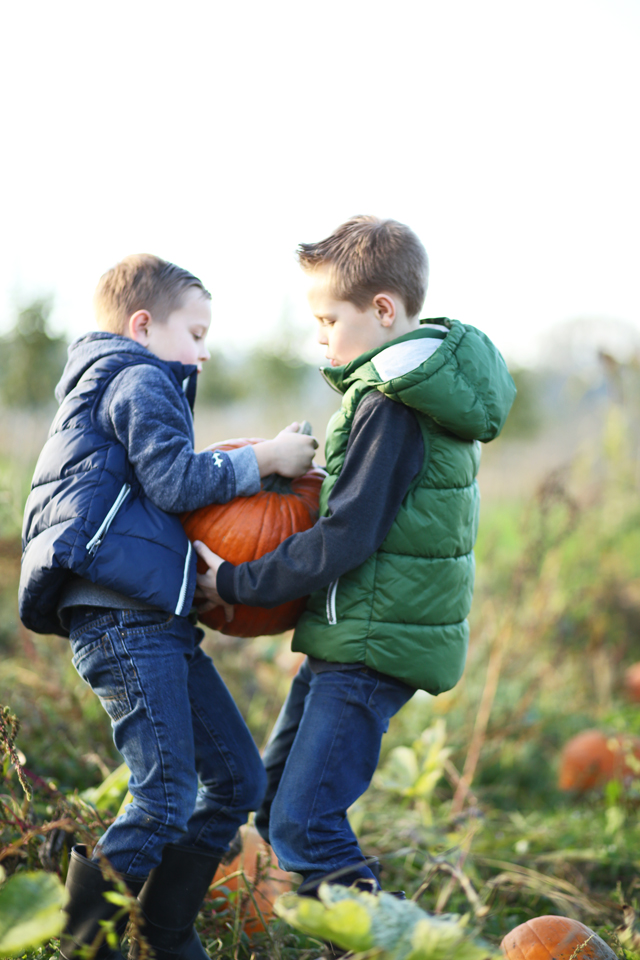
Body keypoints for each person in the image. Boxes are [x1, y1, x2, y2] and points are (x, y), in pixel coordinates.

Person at [194, 216, 517, 897]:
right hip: (354, 635)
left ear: (383, 310)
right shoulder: (406, 395)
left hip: (370, 643)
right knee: (277, 794)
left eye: (327, 320)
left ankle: (386, 940)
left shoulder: (392, 405)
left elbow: (347, 535)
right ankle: (329, 922)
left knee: (305, 824)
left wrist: (236, 579)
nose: (320, 338)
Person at [18, 253, 318, 960]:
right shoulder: (137, 376)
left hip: (153, 619)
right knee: (162, 796)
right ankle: (88, 947)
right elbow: (179, 481)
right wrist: (267, 459)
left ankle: (167, 931)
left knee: (238, 779)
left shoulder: (117, 383)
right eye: (197, 332)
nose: (205, 352)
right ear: (143, 324)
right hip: (124, 617)